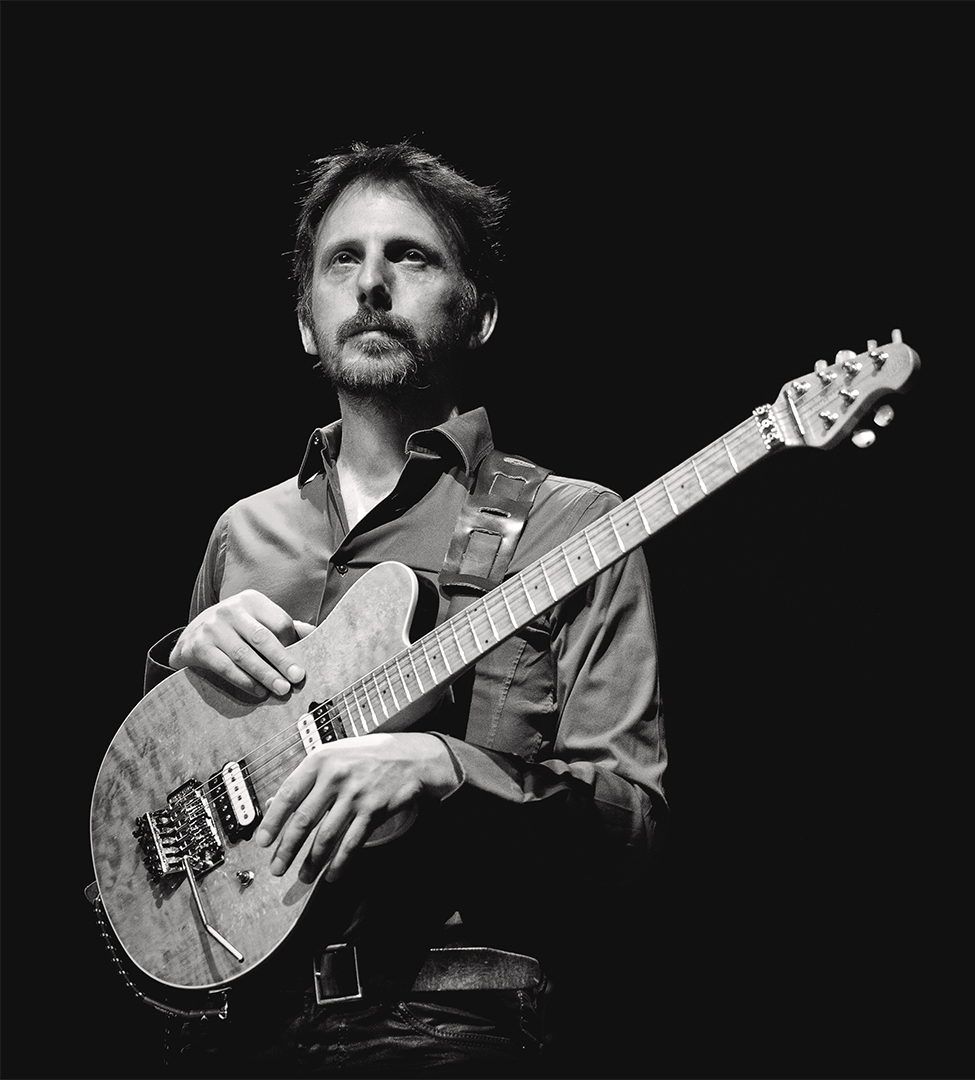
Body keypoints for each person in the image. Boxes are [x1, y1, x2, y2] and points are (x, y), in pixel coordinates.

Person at [142, 141, 668, 1077]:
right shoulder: (243, 533)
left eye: (411, 257)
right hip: (237, 1033)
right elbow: (158, 815)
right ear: (306, 321)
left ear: (481, 313)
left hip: (451, 1025)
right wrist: (178, 665)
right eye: (343, 259)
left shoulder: (573, 524)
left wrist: (444, 768)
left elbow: (629, 826)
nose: (372, 285)